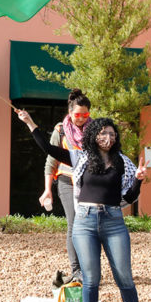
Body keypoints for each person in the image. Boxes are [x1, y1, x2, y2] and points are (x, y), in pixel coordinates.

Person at [17, 109, 151, 302]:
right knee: (90, 278)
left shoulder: (123, 162)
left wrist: (138, 180)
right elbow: (49, 149)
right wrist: (30, 122)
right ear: (93, 136)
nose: (107, 137)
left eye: (111, 133)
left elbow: (128, 198)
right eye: (102, 133)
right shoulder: (81, 157)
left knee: (124, 277)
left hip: (113, 222)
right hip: (85, 222)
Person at [41, 89, 91, 283]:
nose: (81, 119)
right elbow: (50, 161)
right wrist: (47, 190)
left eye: (85, 115)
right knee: (75, 221)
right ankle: (76, 269)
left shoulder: (95, 130)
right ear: (70, 113)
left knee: (89, 225)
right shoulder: (61, 130)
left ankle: (89, 268)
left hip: (88, 182)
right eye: (77, 115)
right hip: (66, 182)